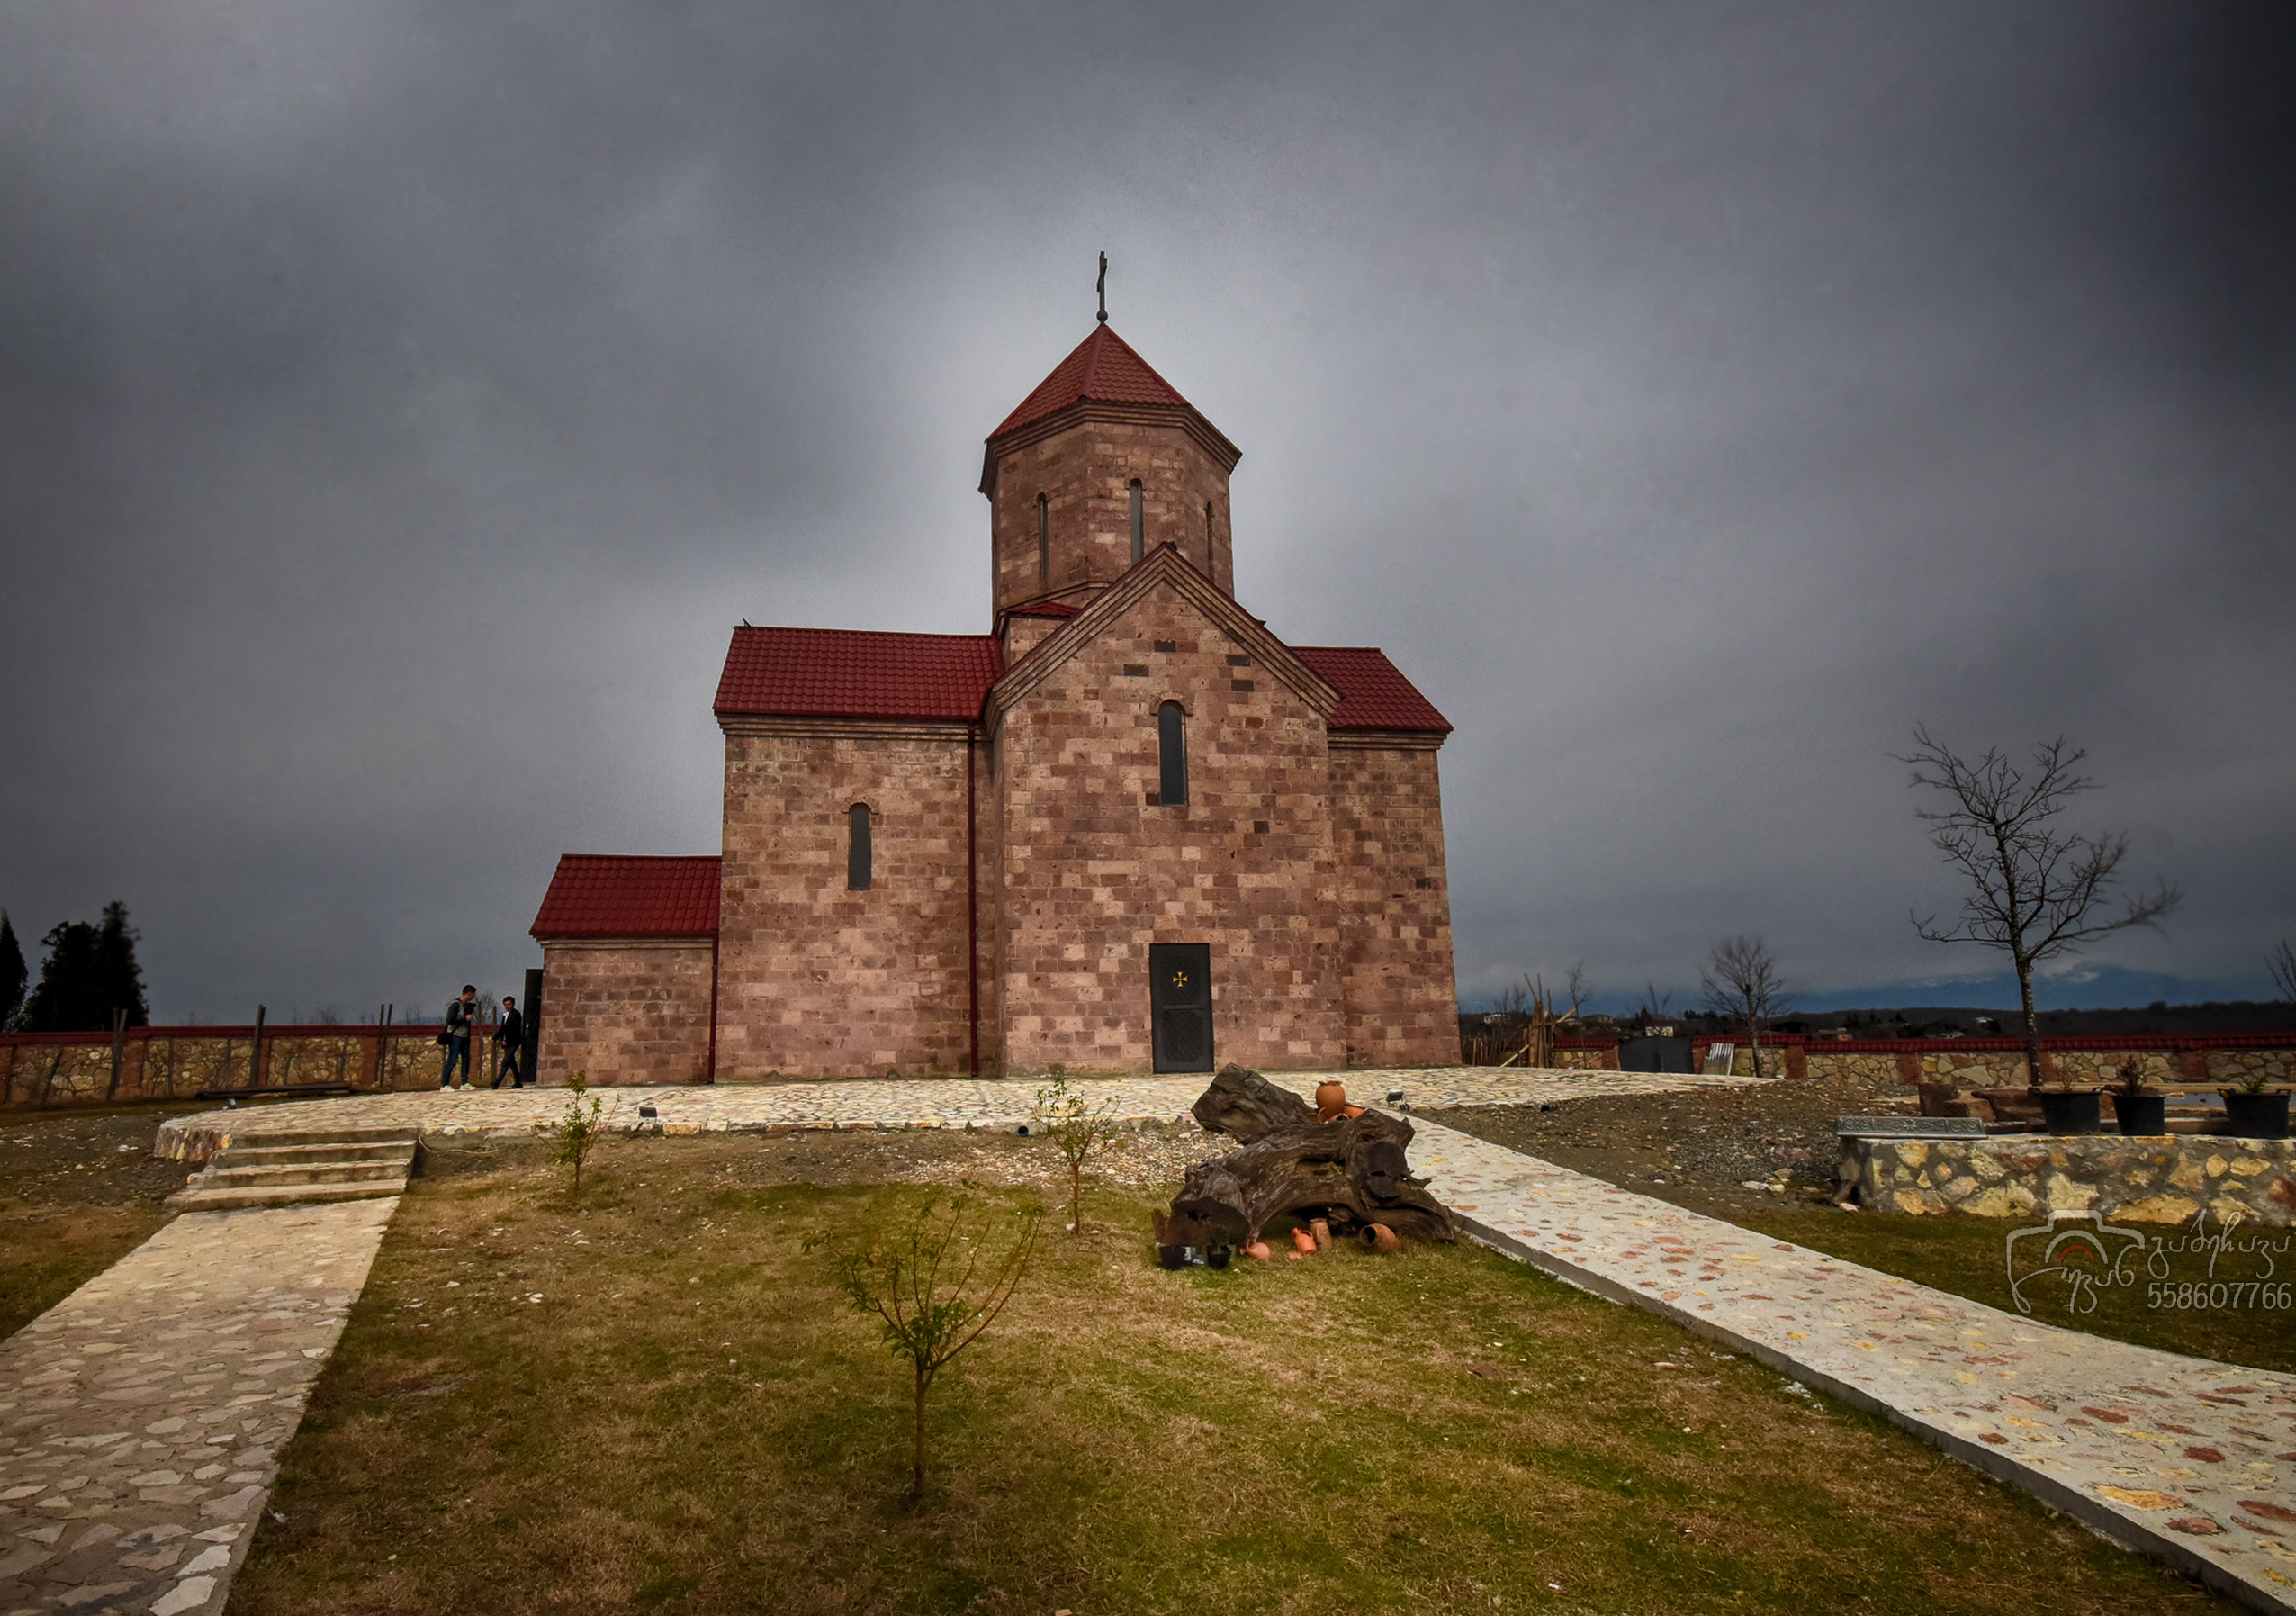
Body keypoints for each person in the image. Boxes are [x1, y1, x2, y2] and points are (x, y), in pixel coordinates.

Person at [440, 984, 478, 1089]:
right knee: (453, 1059)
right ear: (469, 994)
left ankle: (464, 1082)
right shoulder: (455, 1005)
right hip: (455, 1035)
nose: (473, 997)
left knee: (466, 1059)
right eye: (473, 995)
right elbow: (449, 1020)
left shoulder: (466, 1005)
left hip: (465, 1035)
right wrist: (465, 1018)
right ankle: (445, 1084)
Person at [491, 995, 527, 1088]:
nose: (507, 1006)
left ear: (513, 1004)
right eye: (506, 1004)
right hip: (507, 1042)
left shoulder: (516, 1015)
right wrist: (495, 1038)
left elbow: (513, 1029)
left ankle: (497, 1082)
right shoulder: (505, 1016)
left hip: (513, 1042)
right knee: (512, 1062)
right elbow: (503, 1029)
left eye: (509, 1004)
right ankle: (518, 1081)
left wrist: (506, 1039)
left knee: (506, 1061)